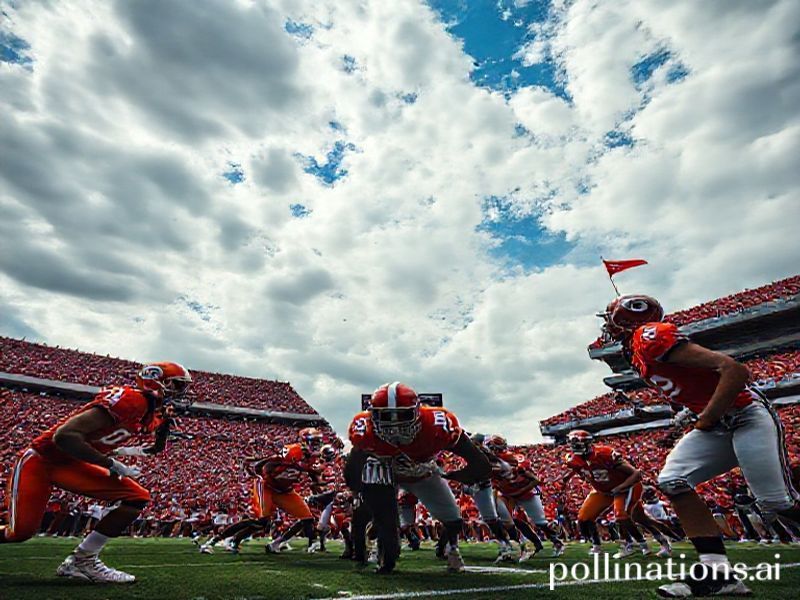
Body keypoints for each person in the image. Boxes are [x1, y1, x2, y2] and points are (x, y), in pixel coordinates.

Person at [599, 294, 800, 597]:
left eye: (611, 318)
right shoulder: (638, 354)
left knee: (776, 503)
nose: (607, 326)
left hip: (744, 415)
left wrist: (706, 418)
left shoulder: (649, 335)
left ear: (627, 319)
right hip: (718, 422)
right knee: (673, 481)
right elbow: (686, 392)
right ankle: (717, 573)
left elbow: (734, 370)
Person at [0, 362, 189, 583]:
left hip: (72, 464)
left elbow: (155, 449)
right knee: (20, 532)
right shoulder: (131, 400)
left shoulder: (148, 412)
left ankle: (83, 560)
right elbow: (64, 436)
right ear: (156, 380)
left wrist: (164, 428)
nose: (181, 392)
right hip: (42, 460)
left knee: (137, 497)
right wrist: (111, 464)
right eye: (177, 385)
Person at [346, 382, 491, 573]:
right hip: (383, 468)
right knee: (386, 522)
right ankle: (382, 550)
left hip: (421, 471)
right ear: (372, 413)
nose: (395, 424)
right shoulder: (364, 430)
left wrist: (456, 475)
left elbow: (478, 462)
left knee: (453, 519)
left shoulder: (438, 424)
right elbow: (353, 468)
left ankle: (449, 548)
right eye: (386, 416)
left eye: (403, 415)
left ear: (417, 411)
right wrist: (359, 491)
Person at [557, 430, 670, 558]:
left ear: (588, 443)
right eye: (573, 444)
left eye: (577, 444)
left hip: (626, 486)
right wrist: (569, 479)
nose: (574, 448)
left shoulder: (604, 454)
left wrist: (620, 487)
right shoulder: (572, 459)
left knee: (624, 516)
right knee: (584, 517)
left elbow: (636, 474)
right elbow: (579, 470)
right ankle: (597, 547)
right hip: (604, 490)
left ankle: (641, 544)